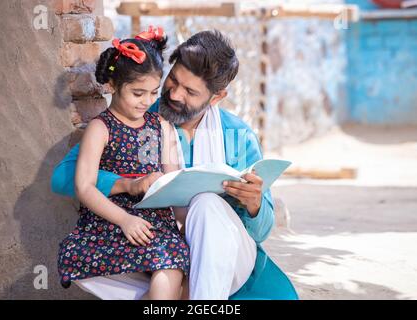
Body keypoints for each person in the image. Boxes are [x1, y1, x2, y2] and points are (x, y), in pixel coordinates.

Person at [53, 29, 298, 300]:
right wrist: (127, 184)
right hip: (152, 246)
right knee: (164, 271)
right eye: (173, 80)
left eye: (191, 91)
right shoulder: (137, 115)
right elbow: (63, 177)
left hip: (221, 257)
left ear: (216, 97)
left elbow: (261, 232)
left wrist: (254, 204)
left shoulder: (238, 136)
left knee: (205, 204)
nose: (175, 95)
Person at [57, 27, 190, 300]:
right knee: (170, 267)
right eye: (138, 93)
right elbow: (85, 187)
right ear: (113, 86)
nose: (148, 102)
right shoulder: (100, 128)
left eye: (153, 93)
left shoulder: (161, 126)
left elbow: (174, 182)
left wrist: (189, 224)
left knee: (178, 270)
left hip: (156, 223)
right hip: (112, 223)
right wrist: (125, 220)